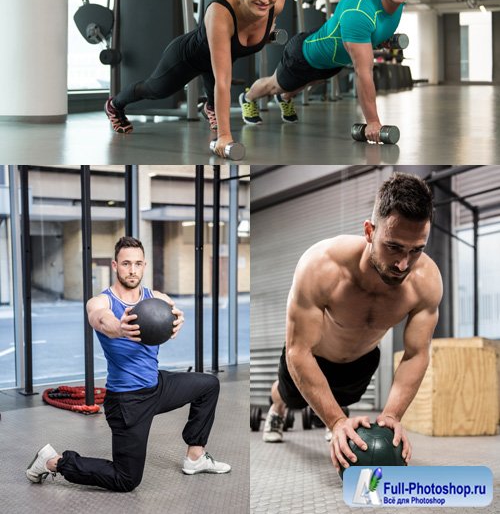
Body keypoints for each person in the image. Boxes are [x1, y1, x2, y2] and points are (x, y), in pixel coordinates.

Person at [262, 174, 441, 474]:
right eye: (394, 247)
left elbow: (416, 354)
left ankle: (333, 409)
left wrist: (392, 417)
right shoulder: (321, 266)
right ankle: (277, 408)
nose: (403, 264)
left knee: (343, 401)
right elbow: (298, 350)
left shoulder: (426, 282)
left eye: (416, 250)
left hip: (361, 361)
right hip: (311, 356)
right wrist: (335, 421)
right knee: (289, 395)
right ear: (370, 231)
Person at [26, 235, 230, 491]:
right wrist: (120, 327)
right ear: (114, 266)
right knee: (126, 480)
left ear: (144, 265)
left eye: (137, 263)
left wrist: (177, 320)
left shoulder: (156, 298)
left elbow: (173, 314)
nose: (132, 270)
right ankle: (53, 462)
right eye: (125, 263)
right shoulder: (102, 302)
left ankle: (196, 457)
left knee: (208, 385)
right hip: (127, 401)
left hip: (156, 386)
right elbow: (100, 319)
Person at [105, 0, 286, 159]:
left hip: (215, 60)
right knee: (156, 89)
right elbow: (223, 80)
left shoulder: (276, 2)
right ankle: (114, 105)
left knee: (213, 95)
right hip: (188, 56)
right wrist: (225, 135)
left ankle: (209, 107)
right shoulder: (221, 13)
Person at [240, 0, 416, 144]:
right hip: (304, 56)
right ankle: (247, 98)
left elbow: (373, 31)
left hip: (330, 63)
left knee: (309, 82)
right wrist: (373, 122)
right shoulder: (358, 11)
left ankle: (286, 97)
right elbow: (363, 71)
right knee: (274, 86)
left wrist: (380, 40)